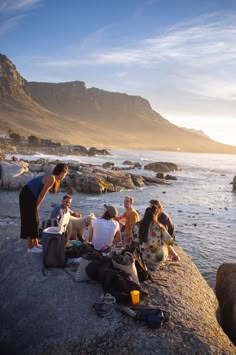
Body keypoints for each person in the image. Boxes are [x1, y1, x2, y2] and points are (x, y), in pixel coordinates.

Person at [19, 163, 69, 253]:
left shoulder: (52, 178)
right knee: (31, 220)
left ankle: (36, 244)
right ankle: (30, 247)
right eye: (64, 175)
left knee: (36, 220)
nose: (64, 177)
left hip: (30, 195)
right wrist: (36, 207)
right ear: (61, 172)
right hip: (27, 195)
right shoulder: (52, 178)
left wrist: (35, 208)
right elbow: (42, 194)